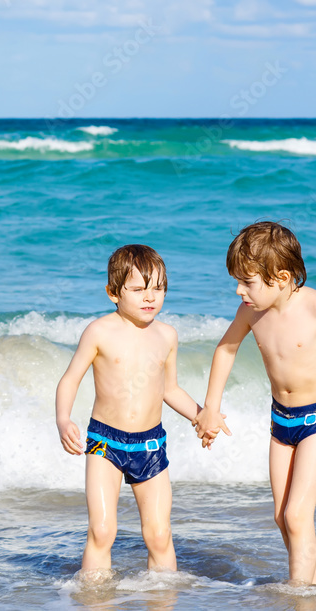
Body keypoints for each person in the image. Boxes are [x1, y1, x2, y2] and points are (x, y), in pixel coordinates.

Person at [193, 221, 316, 586]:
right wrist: (210, 406)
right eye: (237, 282)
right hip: (281, 421)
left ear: (282, 277)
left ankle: (299, 596)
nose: (240, 291)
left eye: (248, 281)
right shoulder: (250, 312)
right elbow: (225, 349)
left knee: (298, 515)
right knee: (282, 516)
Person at [55, 244, 212, 578]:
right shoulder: (99, 331)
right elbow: (70, 379)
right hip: (104, 443)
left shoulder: (167, 335)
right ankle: (95, 598)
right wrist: (63, 418)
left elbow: (170, 389)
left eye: (158, 288)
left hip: (150, 445)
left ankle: (163, 596)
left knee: (158, 534)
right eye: (139, 289)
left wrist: (200, 414)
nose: (149, 297)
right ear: (114, 293)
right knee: (102, 530)